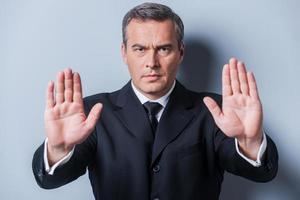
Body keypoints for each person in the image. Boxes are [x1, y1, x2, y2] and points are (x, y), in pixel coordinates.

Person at [32, 2, 278, 200]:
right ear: (124, 53)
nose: (152, 62)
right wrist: (58, 150)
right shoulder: (92, 113)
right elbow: (49, 180)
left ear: (180, 52)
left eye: (163, 49)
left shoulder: (215, 112)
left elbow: (260, 174)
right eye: (140, 49)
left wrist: (250, 142)